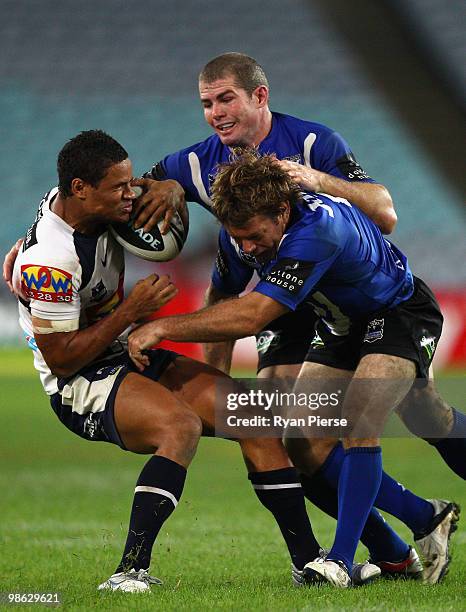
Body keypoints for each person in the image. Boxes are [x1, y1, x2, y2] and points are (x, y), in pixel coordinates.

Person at [12, 130, 351, 593]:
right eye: (119, 188)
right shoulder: (49, 262)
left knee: (249, 413)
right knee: (179, 427)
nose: (130, 195)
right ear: (79, 189)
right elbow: (63, 358)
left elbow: (100, 202)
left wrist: (173, 186)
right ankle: (129, 571)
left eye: (131, 182)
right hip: (78, 382)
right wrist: (131, 313)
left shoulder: (76, 204)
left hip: (119, 348)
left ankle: (308, 564)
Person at [127, 152, 460, 587]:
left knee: (370, 417)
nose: (246, 247)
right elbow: (223, 300)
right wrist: (219, 387)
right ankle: (423, 521)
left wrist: (163, 327)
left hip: (399, 313)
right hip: (341, 324)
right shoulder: (240, 236)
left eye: (252, 236)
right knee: (302, 442)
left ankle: (340, 560)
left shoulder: (318, 229)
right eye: (236, 237)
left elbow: (252, 316)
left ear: (282, 211)